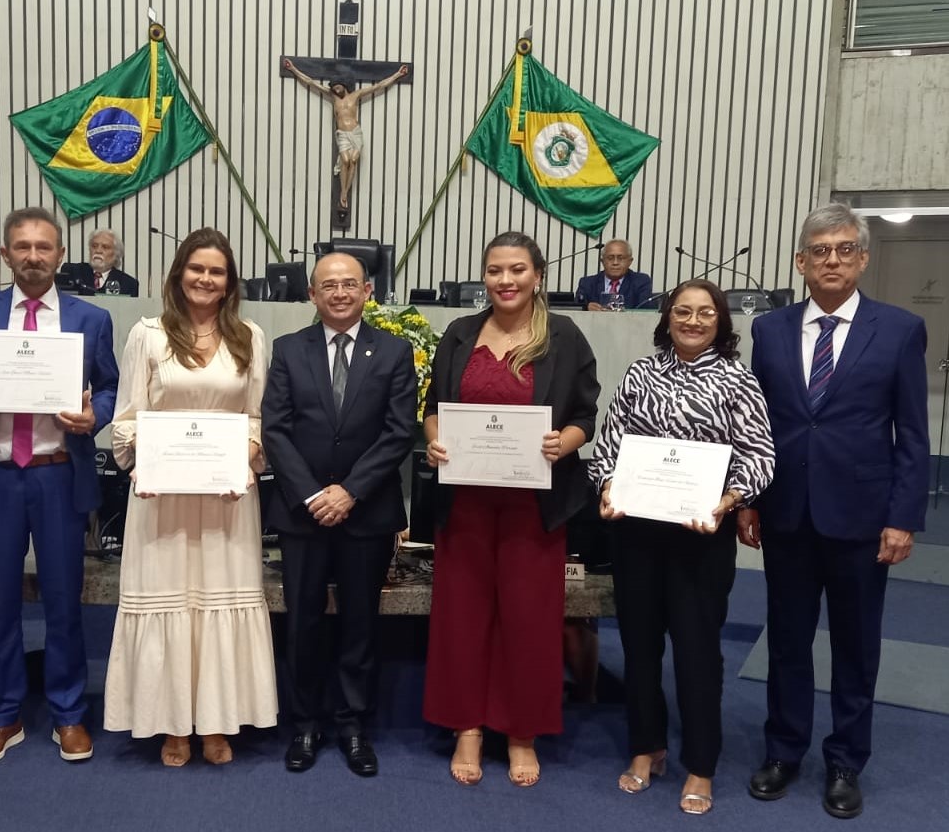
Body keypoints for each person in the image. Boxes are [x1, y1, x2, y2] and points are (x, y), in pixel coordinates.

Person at [740, 203, 928, 820]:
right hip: (786, 512)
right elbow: (755, 427)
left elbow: (912, 433)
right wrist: (748, 498)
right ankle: (784, 751)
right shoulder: (768, 332)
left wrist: (902, 517)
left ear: (863, 258)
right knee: (787, 643)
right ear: (800, 262)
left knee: (855, 646)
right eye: (820, 250)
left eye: (845, 249)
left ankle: (846, 761)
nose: (832, 260)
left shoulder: (898, 330)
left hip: (863, 517)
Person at [589, 279, 776, 815]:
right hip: (637, 533)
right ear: (667, 317)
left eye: (705, 313)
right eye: (682, 311)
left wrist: (728, 500)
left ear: (721, 321)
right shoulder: (641, 373)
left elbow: (759, 454)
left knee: (697, 654)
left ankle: (701, 764)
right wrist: (605, 488)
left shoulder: (738, 380)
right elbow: (610, 444)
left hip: (701, 536)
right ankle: (647, 748)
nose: (692, 321)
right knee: (640, 648)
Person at [422, 230, 599, 788]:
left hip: (533, 504)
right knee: (462, 613)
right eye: (496, 270)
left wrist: (563, 443)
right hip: (466, 501)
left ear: (538, 276)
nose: (506, 280)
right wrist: (433, 441)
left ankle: (521, 732)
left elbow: (585, 416)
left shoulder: (564, 336)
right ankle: (467, 726)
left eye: (517, 269)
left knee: (528, 617)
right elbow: (433, 410)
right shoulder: (459, 333)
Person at [0, 206, 118, 765]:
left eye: (44, 247)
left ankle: (69, 712)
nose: (33, 256)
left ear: (60, 255)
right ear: (5, 254)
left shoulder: (91, 320)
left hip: (57, 476)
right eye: (21, 247)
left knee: (64, 600)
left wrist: (96, 417)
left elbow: (110, 386)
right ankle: (3, 714)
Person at [104, 227, 276, 767]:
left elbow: (259, 417)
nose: (206, 278)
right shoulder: (148, 335)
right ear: (179, 274)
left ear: (229, 283)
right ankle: (172, 723)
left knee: (218, 599)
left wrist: (246, 455)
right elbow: (127, 419)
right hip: (162, 498)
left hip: (227, 498)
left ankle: (218, 722)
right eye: (196, 268)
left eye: (217, 271)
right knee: (170, 600)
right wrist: (141, 464)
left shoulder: (250, 336)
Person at [262, 252, 417, 777]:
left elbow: (399, 432)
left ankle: (353, 727)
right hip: (302, 515)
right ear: (312, 294)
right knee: (301, 623)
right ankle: (304, 724)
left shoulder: (395, 351)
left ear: (368, 290)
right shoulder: (287, 350)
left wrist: (349, 491)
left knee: (359, 624)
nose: (340, 292)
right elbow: (276, 428)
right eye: (328, 285)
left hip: (366, 512)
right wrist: (312, 495)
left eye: (350, 283)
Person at [283, 58, 408, 211]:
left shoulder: (356, 95)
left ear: (344, 85)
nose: (336, 90)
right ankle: (343, 192)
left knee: (353, 160)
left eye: (338, 86)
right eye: (334, 88)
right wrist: (293, 69)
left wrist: (397, 75)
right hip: (342, 133)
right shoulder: (333, 97)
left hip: (355, 132)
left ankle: (345, 193)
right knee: (345, 159)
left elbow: (379, 86)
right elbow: (310, 82)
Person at [575, 239, 652, 310]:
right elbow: (575, 307)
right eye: (610, 258)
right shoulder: (587, 283)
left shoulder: (641, 281)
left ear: (630, 261)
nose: (615, 263)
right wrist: (586, 307)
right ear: (602, 261)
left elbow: (645, 309)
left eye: (620, 258)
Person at [73, 229, 139, 296]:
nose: (98, 251)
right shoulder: (74, 272)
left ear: (116, 253)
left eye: (105, 247)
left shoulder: (128, 284)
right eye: (94, 246)